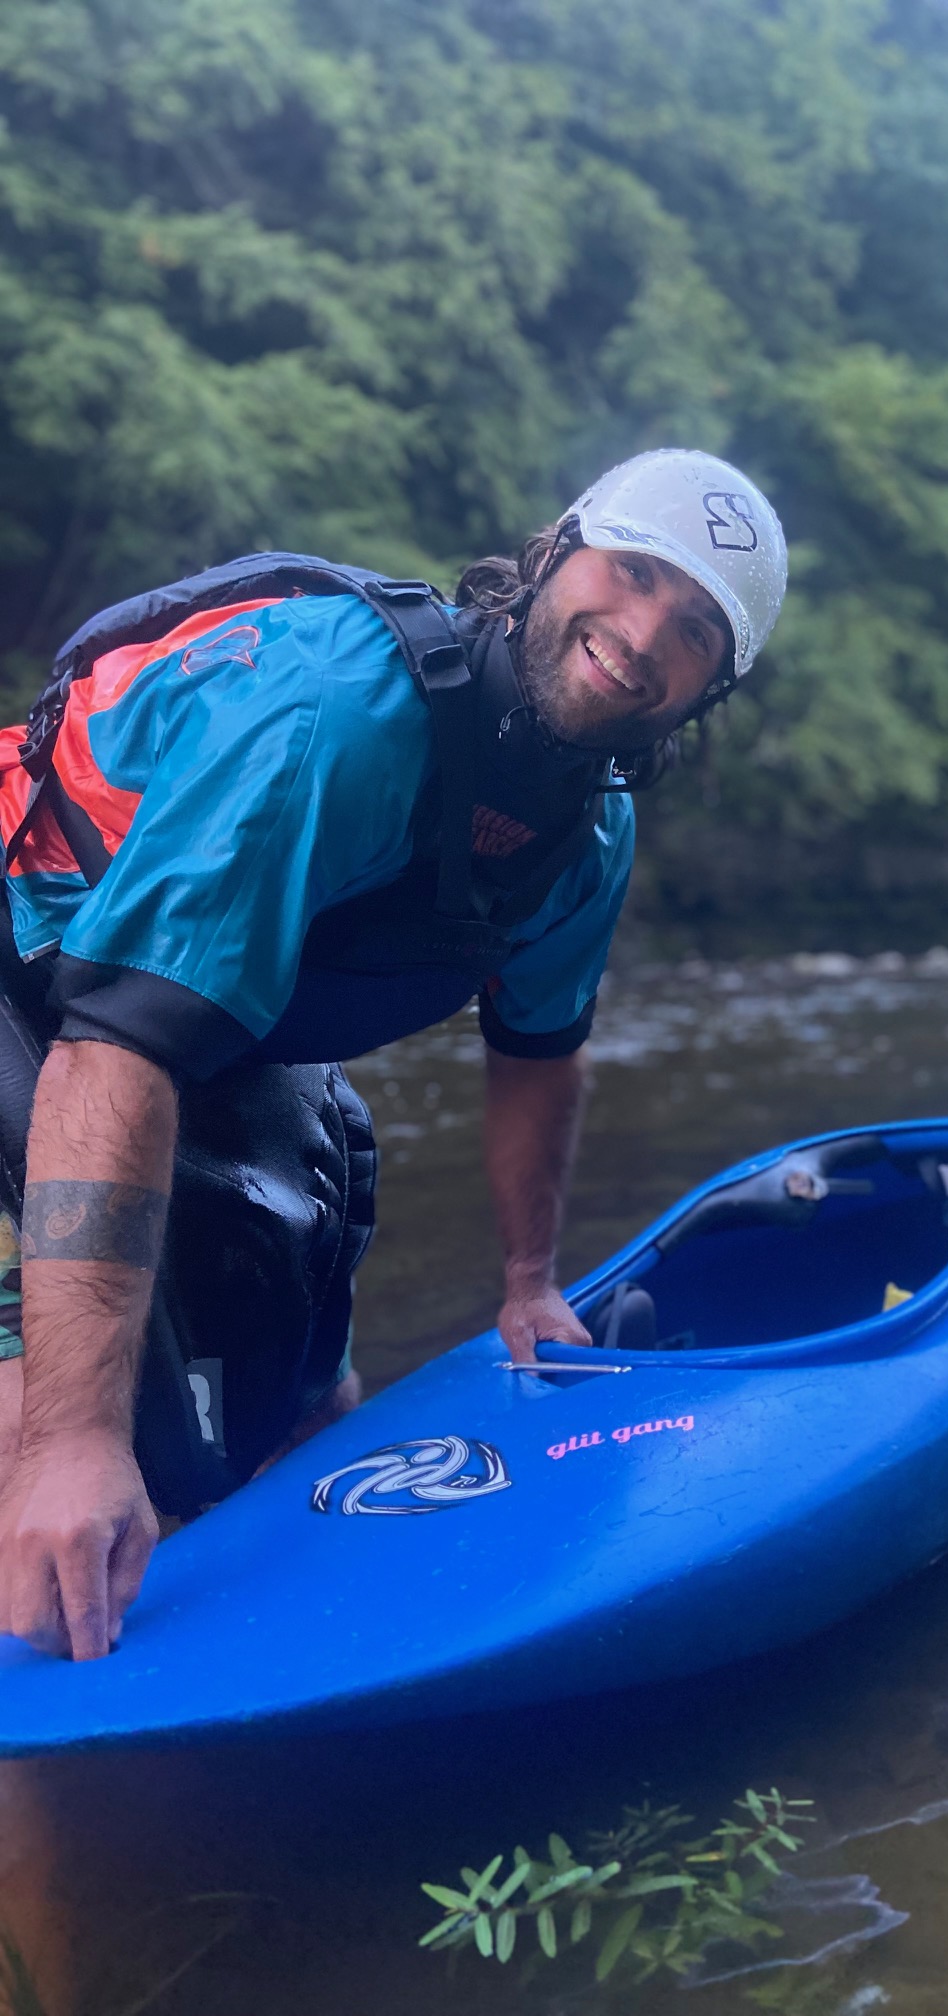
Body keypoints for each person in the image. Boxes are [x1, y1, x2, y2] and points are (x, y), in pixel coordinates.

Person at [0, 447, 786, 1661]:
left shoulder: (586, 837)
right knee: (57, 1473)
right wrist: (72, 1442)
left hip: (194, 1023)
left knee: (310, 1420)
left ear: (707, 693)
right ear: (555, 552)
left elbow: (536, 1054)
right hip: (37, 961)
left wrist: (528, 1282)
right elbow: (114, 1052)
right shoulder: (340, 711)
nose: (639, 634)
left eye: (691, 630)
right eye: (630, 573)